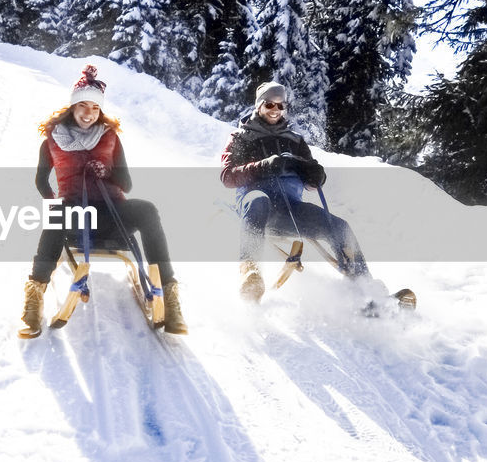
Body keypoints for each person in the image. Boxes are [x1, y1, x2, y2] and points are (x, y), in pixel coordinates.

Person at [20, 65, 187, 337]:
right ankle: (34, 295)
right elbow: (41, 181)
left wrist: (107, 172)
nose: (89, 114)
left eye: (95, 108)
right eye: (83, 106)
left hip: (112, 215)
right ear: (72, 107)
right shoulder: (52, 140)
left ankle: (170, 295)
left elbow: (128, 184)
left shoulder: (110, 138)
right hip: (75, 216)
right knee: (58, 213)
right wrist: (53, 204)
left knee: (147, 209)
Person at [219, 82, 369, 301]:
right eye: (270, 104)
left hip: (290, 210)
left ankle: (366, 290)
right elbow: (228, 177)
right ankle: (249, 273)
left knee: (338, 226)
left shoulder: (295, 141)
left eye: (281, 105)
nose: (275, 110)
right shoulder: (241, 137)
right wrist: (263, 166)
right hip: (255, 205)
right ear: (260, 105)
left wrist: (316, 175)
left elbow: (311, 182)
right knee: (259, 200)